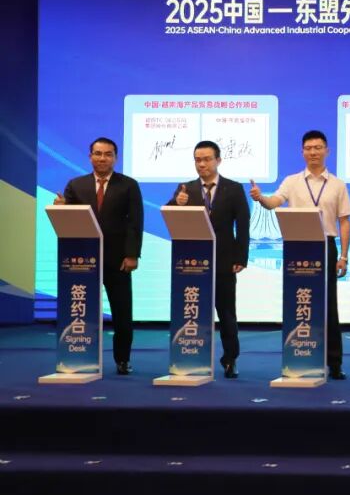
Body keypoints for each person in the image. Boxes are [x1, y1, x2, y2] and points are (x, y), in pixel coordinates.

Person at [250, 130, 350, 380]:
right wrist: (260, 198)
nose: (313, 152)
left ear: (327, 151)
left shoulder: (337, 184)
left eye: (318, 147)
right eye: (308, 148)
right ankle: (299, 354)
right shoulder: (292, 181)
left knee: (328, 305)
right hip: (297, 247)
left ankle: (334, 362)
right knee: (299, 301)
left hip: (325, 246)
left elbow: (344, 221)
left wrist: (344, 256)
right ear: (302, 151)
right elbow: (274, 202)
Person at [54, 137, 144, 375]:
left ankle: (122, 359)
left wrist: (132, 255)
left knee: (122, 312)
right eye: (97, 153)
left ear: (115, 158)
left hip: (118, 260)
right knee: (81, 311)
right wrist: (61, 209)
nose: (102, 158)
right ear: (90, 156)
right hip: (83, 260)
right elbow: (68, 221)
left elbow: (135, 223)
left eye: (107, 154)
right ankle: (79, 355)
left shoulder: (128, 185)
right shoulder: (76, 185)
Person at [166, 140, 250, 379]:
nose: (201, 164)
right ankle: (191, 355)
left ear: (218, 160)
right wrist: (176, 204)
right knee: (192, 311)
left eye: (206, 159)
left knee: (226, 313)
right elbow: (170, 215)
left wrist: (241, 257)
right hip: (192, 263)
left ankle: (230, 359)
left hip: (224, 261)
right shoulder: (186, 189)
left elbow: (243, 225)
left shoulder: (233, 188)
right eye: (197, 160)